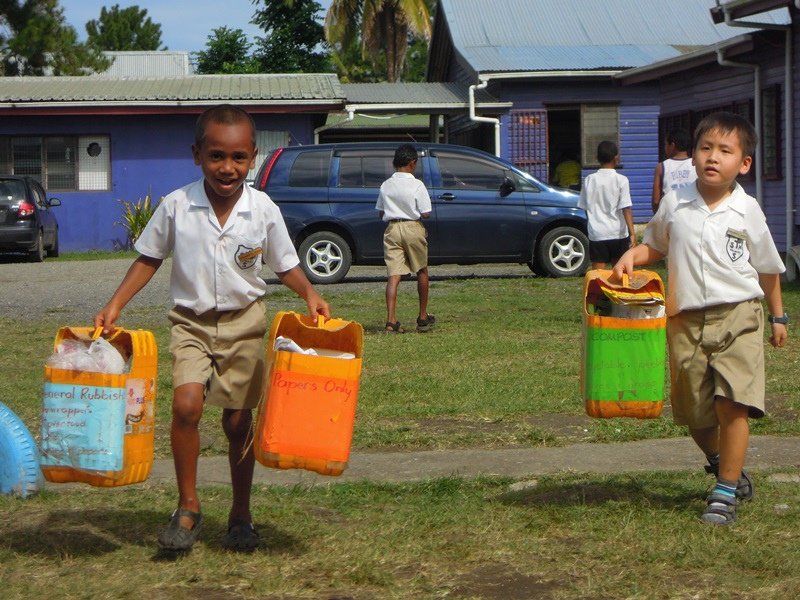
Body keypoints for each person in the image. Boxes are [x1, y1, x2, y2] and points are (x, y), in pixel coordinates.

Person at [94, 104, 330, 552]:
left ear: (253, 157)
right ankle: (188, 507)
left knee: (239, 421)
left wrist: (309, 294)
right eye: (216, 156)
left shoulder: (262, 209)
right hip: (191, 324)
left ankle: (241, 515)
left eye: (238, 158)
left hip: (245, 325)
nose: (228, 168)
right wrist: (114, 305)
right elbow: (148, 258)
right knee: (186, 406)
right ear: (197, 154)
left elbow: (285, 264)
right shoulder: (177, 206)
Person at [612, 111, 788, 525]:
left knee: (734, 404)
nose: (713, 157)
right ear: (692, 156)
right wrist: (630, 256)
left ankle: (724, 492)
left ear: (743, 163)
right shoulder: (675, 204)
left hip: (739, 315)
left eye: (725, 151)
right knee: (694, 414)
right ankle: (722, 461)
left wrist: (778, 317)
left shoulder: (748, 210)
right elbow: (654, 247)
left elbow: (767, 269)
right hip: (684, 320)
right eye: (705, 148)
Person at [376, 144, 435, 334]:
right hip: (412, 227)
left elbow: (381, 212)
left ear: (395, 163)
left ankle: (391, 321)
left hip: (392, 228)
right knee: (422, 270)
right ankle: (423, 317)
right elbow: (426, 213)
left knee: (394, 275)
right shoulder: (417, 184)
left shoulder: (386, 185)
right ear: (412, 163)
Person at [578, 140, 637, 270]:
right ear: (616, 158)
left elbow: (584, 207)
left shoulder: (589, 180)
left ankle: (599, 291)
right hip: (618, 233)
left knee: (598, 274)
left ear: (597, 158)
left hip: (597, 233)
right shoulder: (621, 180)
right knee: (620, 272)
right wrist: (632, 233)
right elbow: (626, 208)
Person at [651, 128, 697, 213]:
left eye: (665, 145)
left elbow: (656, 200)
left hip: (670, 213)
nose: (665, 148)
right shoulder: (696, 164)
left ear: (672, 145)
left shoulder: (662, 167)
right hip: (692, 212)